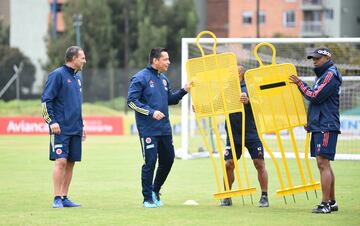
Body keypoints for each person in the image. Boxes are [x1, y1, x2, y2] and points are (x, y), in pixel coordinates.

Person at [127, 48, 191, 208]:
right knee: (150, 162)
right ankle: (147, 198)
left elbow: (170, 99)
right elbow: (131, 101)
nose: (168, 62)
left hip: (164, 129)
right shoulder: (140, 78)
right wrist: (151, 112)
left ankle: (155, 190)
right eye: (165, 59)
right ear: (155, 61)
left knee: (168, 160)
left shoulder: (163, 79)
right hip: (148, 130)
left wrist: (183, 91)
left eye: (168, 59)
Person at [289, 47, 342, 214]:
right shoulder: (323, 75)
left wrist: (299, 83)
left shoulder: (330, 75)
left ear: (327, 58)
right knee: (324, 163)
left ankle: (325, 204)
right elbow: (318, 103)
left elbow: (314, 96)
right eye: (313, 58)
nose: (314, 61)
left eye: (317, 58)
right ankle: (332, 202)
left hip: (326, 125)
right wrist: (310, 121)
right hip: (320, 124)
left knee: (322, 163)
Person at [41, 46, 86, 208]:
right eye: (82, 57)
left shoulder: (77, 78)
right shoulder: (57, 75)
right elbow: (46, 100)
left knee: (71, 162)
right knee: (60, 161)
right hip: (60, 128)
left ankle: (64, 196)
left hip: (75, 128)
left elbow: (76, 106)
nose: (84, 61)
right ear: (74, 59)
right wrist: (51, 121)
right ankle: (56, 198)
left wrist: (82, 127)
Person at [220, 65, 269, 208]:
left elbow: (260, 105)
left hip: (251, 133)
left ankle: (264, 196)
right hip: (233, 133)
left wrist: (248, 101)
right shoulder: (227, 89)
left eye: (232, 72)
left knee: (259, 164)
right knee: (229, 164)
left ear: (240, 73)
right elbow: (215, 104)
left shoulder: (250, 87)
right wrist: (200, 107)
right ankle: (227, 195)